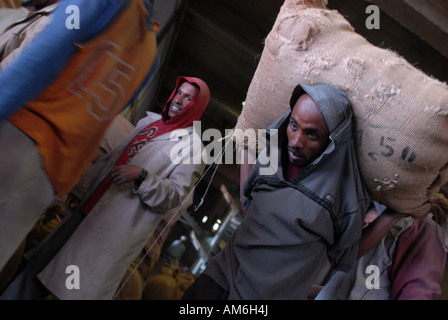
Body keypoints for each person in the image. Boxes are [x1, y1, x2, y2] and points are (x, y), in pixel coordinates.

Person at [7, 76, 209, 301]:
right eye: (179, 93)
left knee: (64, 287)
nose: (179, 100)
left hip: (111, 227)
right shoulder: (149, 123)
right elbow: (113, 158)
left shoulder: (193, 150)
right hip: (87, 209)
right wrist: (82, 189)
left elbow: (174, 196)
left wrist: (142, 176)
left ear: (197, 106)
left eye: (188, 98)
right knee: (38, 266)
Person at [0, 0, 159, 272]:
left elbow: (45, 53)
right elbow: (108, 115)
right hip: (51, 174)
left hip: (19, 137)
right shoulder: (150, 52)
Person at [183, 83, 371, 300]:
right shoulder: (274, 151)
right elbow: (250, 203)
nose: (296, 141)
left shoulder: (342, 193)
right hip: (217, 280)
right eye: (293, 125)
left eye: (312, 135)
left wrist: (392, 216)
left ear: (333, 140)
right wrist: (246, 145)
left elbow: (345, 254)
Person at [313, 200, 448, 300]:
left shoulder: (421, 230)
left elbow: (418, 292)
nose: (367, 225)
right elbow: (350, 289)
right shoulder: (372, 214)